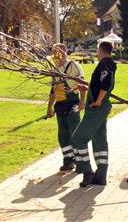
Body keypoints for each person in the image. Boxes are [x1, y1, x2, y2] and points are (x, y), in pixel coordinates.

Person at [71, 41, 117, 187]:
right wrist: (87, 89)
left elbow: (106, 82)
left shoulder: (104, 64)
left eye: (97, 49)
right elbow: (101, 84)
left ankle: (87, 171)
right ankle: (101, 175)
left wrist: (97, 101)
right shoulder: (110, 63)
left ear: (101, 50)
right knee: (99, 140)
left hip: (97, 107)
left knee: (78, 138)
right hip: (101, 106)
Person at [47, 43, 85, 171]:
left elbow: (82, 85)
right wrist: (49, 107)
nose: (55, 55)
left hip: (72, 103)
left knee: (75, 133)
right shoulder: (54, 68)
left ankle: (81, 162)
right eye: (53, 53)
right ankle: (68, 161)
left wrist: (82, 102)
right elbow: (53, 89)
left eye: (57, 52)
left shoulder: (73, 66)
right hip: (60, 105)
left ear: (64, 52)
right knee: (63, 135)